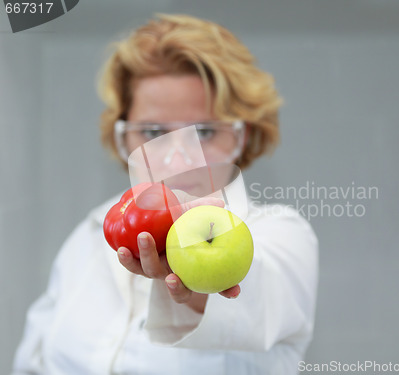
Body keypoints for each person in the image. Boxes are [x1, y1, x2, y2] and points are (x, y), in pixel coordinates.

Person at [12, 14, 318, 375]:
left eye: (203, 132)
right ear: (123, 137)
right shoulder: (91, 233)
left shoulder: (282, 232)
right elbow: (34, 360)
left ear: (241, 138)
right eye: (154, 131)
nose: (179, 157)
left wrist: (201, 282)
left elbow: (261, 301)